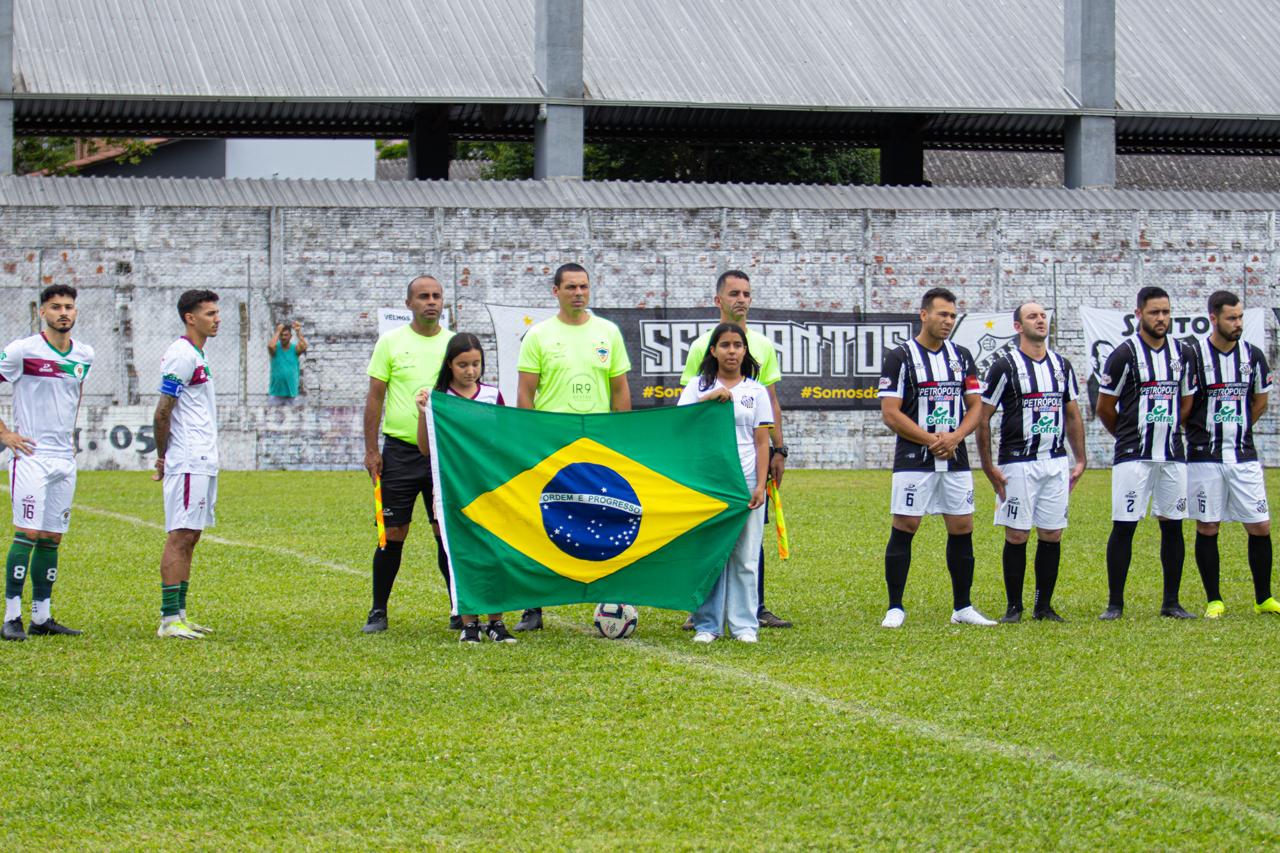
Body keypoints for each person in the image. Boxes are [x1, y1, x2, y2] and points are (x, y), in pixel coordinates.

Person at [514, 262, 631, 631]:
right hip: (551, 445)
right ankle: (533, 606)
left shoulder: (608, 332)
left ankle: (611, 598)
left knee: (603, 517)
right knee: (541, 522)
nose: (578, 293)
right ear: (556, 292)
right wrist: (530, 440)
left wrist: (622, 436)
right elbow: (525, 393)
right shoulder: (538, 335)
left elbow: (620, 390)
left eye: (584, 287)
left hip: (597, 445)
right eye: (571, 287)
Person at [678, 270, 791, 629]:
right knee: (708, 546)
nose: (741, 299)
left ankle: (751, 615)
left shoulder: (762, 351)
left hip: (747, 472)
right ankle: (701, 615)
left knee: (748, 547)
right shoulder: (700, 349)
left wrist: (779, 450)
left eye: (746, 293)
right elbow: (684, 418)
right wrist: (709, 398)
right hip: (711, 474)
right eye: (734, 293)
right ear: (719, 300)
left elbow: (770, 404)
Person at [878, 287, 995, 628]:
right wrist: (932, 440)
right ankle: (895, 607)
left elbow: (976, 406)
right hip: (914, 457)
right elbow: (890, 412)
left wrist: (955, 437)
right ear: (924, 314)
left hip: (955, 457)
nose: (948, 321)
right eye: (942, 314)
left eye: (952, 316)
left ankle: (963, 607)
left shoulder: (962, 356)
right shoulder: (900, 357)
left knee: (962, 526)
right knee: (905, 525)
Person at [976, 301, 1085, 623]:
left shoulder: (1062, 365)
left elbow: (1072, 414)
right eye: (1032, 316)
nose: (1040, 320)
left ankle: (1043, 606)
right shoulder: (1004, 366)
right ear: (1018, 326)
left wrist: (1081, 459)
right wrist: (988, 466)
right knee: (1017, 535)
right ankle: (1014, 608)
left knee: (1052, 533)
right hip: (1017, 463)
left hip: (1055, 462)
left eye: (1042, 316)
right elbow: (982, 418)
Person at [1096, 286, 1197, 620]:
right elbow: (1105, 407)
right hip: (1133, 456)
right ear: (1139, 314)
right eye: (1154, 312)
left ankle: (1171, 603)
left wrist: (1170, 428)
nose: (1161, 318)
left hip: (1172, 455)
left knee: (1173, 526)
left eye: (1166, 312)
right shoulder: (1123, 354)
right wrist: (1128, 436)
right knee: (1124, 526)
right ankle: (1115, 604)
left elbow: (1187, 401)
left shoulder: (1184, 353)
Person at [362, 275, 455, 634]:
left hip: (441, 452)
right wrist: (372, 450)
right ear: (409, 304)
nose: (431, 302)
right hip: (399, 452)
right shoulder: (391, 342)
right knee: (392, 533)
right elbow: (375, 398)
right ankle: (378, 611)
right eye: (423, 296)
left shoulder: (453, 344)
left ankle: (459, 609)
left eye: (436, 296)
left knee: (445, 533)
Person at [0, 285, 94, 641]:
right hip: (31, 456)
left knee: (52, 537)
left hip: (64, 459)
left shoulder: (84, 354)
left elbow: (74, 394)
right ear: (43, 312)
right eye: (56, 307)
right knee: (27, 533)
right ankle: (11, 618)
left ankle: (42, 617)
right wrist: (5, 434)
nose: (63, 312)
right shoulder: (22, 350)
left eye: (69, 307)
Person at [414, 333, 517, 643]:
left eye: (476, 364)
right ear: (449, 364)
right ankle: (469, 624)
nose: (470, 371)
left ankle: (496, 622)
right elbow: (425, 448)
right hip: (453, 488)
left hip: (488, 487)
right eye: (463, 365)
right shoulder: (439, 399)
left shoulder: (492, 395)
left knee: (495, 553)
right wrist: (423, 413)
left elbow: (505, 439)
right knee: (463, 554)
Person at [1184, 290, 1279, 618]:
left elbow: (1260, 401)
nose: (1238, 323)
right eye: (1231, 318)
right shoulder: (1194, 356)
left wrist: (1240, 426)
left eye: (1240, 317)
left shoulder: (1253, 356)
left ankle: (1263, 598)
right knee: (1208, 526)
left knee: (1260, 526)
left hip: (1243, 456)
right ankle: (1214, 600)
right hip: (1204, 457)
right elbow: (1185, 404)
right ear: (1213, 318)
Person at [679, 323, 771, 643]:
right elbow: (680, 424)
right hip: (710, 482)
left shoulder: (756, 391)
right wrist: (709, 399)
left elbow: (762, 442)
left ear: (745, 351)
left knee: (746, 557)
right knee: (710, 555)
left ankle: (744, 626)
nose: (732, 351)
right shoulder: (697, 386)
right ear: (713, 351)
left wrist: (760, 485)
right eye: (725, 345)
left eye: (737, 345)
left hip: (745, 481)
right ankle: (707, 625)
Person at [153, 289, 221, 639]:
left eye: (216, 313)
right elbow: (163, 411)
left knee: (192, 535)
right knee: (180, 535)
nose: (217, 319)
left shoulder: (197, 355)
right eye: (209, 313)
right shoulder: (182, 355)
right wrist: (163, 456)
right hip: (187, 458)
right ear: (190, 318)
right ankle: (168, 620)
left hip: (202, 459)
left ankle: (179, 614)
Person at [267, 320, 308, 405]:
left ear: (290, 336)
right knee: (272, 413)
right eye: (281, 335)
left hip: (291, 393)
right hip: (276, 393)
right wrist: (278, 331)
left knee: (293, 414)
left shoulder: (294, 349)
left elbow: (304, 346)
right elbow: (270, 346)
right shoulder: (275, 349)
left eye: (286, 335)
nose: (283, 337)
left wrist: (298, 331)